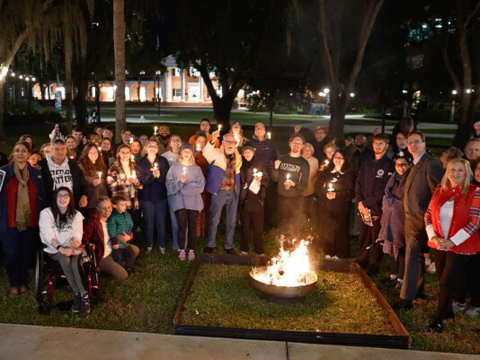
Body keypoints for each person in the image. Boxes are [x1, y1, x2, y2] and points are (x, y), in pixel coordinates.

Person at [424, 159, 480, 332]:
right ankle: (448, 312)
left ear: (467, 173)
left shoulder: (474, 191)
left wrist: (453, 241)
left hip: (462, 245)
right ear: (447, 172)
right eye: (452, 169)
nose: (455, 173)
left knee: (447, 281)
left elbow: (475, 222)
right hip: (438, 243)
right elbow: (427, 214)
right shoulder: (440, 190)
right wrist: (433, 236)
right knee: (442, 280)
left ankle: (438, 319)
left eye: (460, 170)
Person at [395, 130, 444, 311]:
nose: (413, 145)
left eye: (417, 142)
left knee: (412, 257)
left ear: (424, 143)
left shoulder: (431, 164)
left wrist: (429, 219)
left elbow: (438, 194)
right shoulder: (414, 163)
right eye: (410, 142)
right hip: (410, 219)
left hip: (421, 220)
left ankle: (406, 299)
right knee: (415, 257)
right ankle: (418, 289)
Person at [0, 141, 46, 297]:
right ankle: (14, 283)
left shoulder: (36, 174)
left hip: (30, 220)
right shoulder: (3, 172)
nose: (20, 153)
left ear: (29, 154)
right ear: (13, 153)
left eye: (24, 151)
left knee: (26, 253)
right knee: (12, 253)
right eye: (17, 150)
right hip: (9, 221)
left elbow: (42, 197)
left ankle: (23, 282)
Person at [39, 187, 90, 318]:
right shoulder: (47, 213)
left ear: (70, 198)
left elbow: (78, 234)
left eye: (66, 195)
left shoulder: (76, 215)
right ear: (55, 198)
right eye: (59, 195)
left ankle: (84, 298)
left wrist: (76, 242)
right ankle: (79, 294)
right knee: (65, 259)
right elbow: (47, 235)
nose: (62, 198)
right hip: (55, 249)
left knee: (75, 262)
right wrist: (60, 248)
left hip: (73, 249)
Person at [355, 134, 395, 274]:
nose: (377, 146)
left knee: (376, 238)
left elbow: (382, 190)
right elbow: (358, 183)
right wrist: (360, 202)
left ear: (386, 146)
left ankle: (374, 264)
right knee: (364, 236)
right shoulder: (366, 163)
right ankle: (361, 260)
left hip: (377, 209)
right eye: (375, 143)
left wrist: (366, 203)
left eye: (381, 144)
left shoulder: (389, 165)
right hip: (363, 208)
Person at [202, 131, 242, 254]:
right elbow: (205, 152)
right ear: (223, 143)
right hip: (219, 192)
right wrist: (212, 139)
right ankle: (210, 244)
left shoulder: (238, 156)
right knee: (215, 220)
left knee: (231, 221)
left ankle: (228, 246)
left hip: (233, 192)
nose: (230, 144)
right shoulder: (216, 154)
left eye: (233, 142)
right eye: (228, 142)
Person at [377, 153, 411, 288]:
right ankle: (393, 274)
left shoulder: (409, 180)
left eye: (404, 164)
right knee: (390, 243)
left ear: (409, 165)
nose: (401, 167)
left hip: (401, 218)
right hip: (390, 218)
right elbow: (387, 195)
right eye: (398, 164)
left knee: (400, 246)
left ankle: (402, 278)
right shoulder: (392, 178)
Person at [83, 196, 139, 279]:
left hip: (115, 249)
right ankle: (112, 266)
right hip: (103, 255)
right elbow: (84, 240)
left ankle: (119, 262)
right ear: (98, 209)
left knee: (135, 250)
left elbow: (127, 230)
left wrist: (129, 237)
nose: (107, 211)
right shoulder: (92, 223)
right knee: (123, 275)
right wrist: (90, 246)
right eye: (104, 208)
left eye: (109, 207)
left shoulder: (113, 217)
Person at [166, 144, 205, 260]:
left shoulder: (196, 168)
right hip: (179, 202)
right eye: (184, 151)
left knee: (192, 227)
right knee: (182, 227)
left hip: (193, 202)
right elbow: (170, 186)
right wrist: (180, 182)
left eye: (189, 151)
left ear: (192, 153)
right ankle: (182, 249)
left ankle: (191, 250)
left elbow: (201, 186)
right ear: (181, 153)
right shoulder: (174, 168)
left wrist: (182, 188)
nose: (187, 153)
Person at [315, 150, 355, 259]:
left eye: (341, 158)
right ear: (333, 159)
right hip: (328, 206)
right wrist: (325, 194)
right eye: (336, 157)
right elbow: (317, 186)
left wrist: (337, 195)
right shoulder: (327, 172)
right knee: (329, 229)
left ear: (345, 159)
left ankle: (340, 253)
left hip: (342, 207)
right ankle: (329, 252)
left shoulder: (349, 174)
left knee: (340, 231)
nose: (338, 159)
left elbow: (352, 191)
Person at [271, 134, 310, 233]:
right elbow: (275, 178)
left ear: (302, 146)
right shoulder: (282, 159)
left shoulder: (304, 164)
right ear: (290, 144)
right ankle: (282, 242)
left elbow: (304, 185)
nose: (296, 144)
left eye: (299, 143)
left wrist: (294, 184)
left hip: (296, 198)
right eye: (294, 142)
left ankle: (293, 243)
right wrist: (275, 168)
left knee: (294, 222)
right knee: (282, 220)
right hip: (281, 196)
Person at [245, 122, 280, 229]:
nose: (259, 130)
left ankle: (267, 225)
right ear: (254, 131)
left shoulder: (271, 143)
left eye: (261, 128)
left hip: (267, 176)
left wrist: (277, 162)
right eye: (256, 128)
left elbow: (277, 155)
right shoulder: (250, 143)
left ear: (265, 131)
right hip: (253, 177)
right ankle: (252, 224)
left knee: (268, 202)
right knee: (254, 200)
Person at [137, 139, 170, 253]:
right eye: (150, 145)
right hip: (146, 196)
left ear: (157, 148)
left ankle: (162, 244)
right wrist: (153, 176)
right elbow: (141, 179)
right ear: (146, 148)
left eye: (154, 145)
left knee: (161, 221)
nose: (152, 147)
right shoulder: (141, 162)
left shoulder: (163, 161)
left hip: (160, 195)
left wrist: (160, 176)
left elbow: (166, 176)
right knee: (148, 221)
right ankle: (149, 244)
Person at [38, 139, 87, 208]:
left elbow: (83, 182)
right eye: (57, 149)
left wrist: (84, 196)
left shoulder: (73, 165)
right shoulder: (42, 166)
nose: (60, 152)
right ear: (51, 150)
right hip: (52, 206)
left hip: (72, 205)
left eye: (63, 149)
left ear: (66, 150)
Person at [239, 145, 270, 256]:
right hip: (245, 198)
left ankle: (259, 250)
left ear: (253, 153)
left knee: (258, 226)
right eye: (245, 152)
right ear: (242, 154)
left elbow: (267, 181)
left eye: (250, 152)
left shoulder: (259, 164)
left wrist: (261, 180)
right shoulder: (240, 165)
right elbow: (238, 181)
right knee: (245, 225)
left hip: (257, 199)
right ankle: (244, 248)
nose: (248, 154)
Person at [107, 144, 142, 237]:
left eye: (127, 152)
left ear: (130, 154)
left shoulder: (134, 165)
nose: (125, 154)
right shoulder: (113, 167)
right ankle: (120, 244)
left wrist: (136, 182)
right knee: (121, 223)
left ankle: (131, 243)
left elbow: (140, 184)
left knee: (132, 222)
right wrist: (125, 183)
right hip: (121, 199)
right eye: (123, 152)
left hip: (133, 198)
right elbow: (110, 186)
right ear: (118, 154)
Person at [162, 135, 183, 250]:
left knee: (183, 219)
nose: (176, 142)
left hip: (184, 191)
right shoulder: (165, 156)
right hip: (171, 190)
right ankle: (176, 243)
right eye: (173, 140)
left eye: (178, 140)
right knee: (174, 219)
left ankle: (183, 242)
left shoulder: (185, 154)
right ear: (170, 143)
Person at [107, 195, 136, 273]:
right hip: (117, 244)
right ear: (115, 206)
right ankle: (121, 269)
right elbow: (112, 229)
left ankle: (129, 267)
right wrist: (114, 241)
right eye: (122, 205)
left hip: (125, 242)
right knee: (117, 256)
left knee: (131, 254)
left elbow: (130, 223)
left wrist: (129, 235)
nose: (124, 206)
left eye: (125, 204)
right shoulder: (113, 217)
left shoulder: (126, 214)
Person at [77, 144, 108, 215]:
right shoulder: (81, 166)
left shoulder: (101, 165)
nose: (93, 154)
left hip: (101, 201)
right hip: (90, 202)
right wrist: (92, 184)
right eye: (91, 152)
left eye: (95, 152)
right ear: (86, 153)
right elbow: (80, 184)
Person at [194, 132, 210, 238]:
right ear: (195, 142)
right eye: (199, 141)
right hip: (195, 186)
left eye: (203, 141)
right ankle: (196, 231)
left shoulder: (208, 155)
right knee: (196, 208)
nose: (201, 143)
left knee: (205, 207)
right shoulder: (191, 154)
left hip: (206, 184)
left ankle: (204, 231)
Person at [302, 143, 319, 223]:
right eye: (305, 150)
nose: (307, 152)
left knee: (308, 205)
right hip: (299, 188)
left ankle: (308, 222)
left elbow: (316, 174)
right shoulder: (299, 159)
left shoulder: (315, 161)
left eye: (309, 150)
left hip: (310, 187)